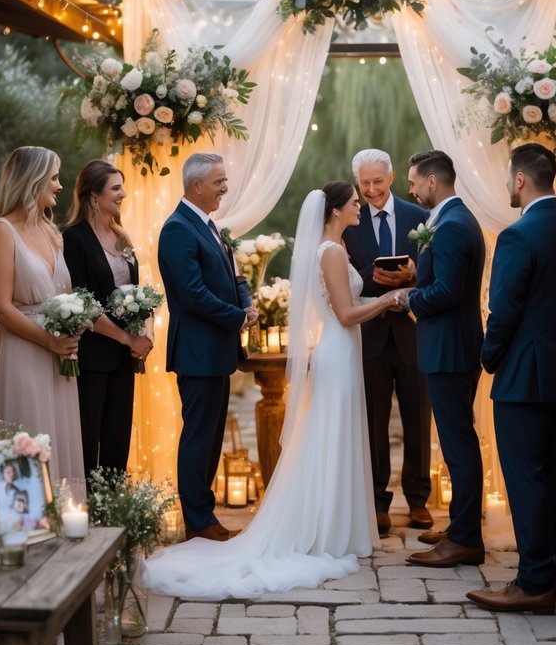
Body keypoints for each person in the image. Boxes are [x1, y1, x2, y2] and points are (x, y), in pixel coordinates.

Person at [143, 182, 400, 597]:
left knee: (336, 437)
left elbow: (236, 277)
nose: (361, 205)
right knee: (327, 438)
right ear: (335, 210)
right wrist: (391, 299)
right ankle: (325, 532)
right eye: (355, 202)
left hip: (342, 352)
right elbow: (347, 313)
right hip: (336, 350)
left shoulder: (335, 248)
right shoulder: (331, 252)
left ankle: (339, 526)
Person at [466, 144, 556, 614]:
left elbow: (503, 312)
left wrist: (488, 357)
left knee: (525, 477)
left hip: (523, 373)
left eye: (507, 178)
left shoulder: (518, 236)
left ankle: (533, 582)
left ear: (520, 179)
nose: (506, 186)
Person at [157, 152, 256, 542]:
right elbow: (192, 293)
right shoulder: (177, 229)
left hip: (216, 352)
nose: (225, 188)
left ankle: (204, 514)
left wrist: (245, 302)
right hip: (197, 353)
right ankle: (197, 521)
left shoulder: (209, 226)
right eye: (219, 182)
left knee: (212, 436)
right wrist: (235, 317)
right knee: (199, 437)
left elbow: (234, 275)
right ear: (196, 185)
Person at [396, 150, 487, 569]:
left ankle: (466, 539)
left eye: (414, 181)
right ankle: (460, 525)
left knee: (458, 443)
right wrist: (417, 277)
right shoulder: (455, 220)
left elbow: (448, 292)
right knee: (456, 441)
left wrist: (407, 297)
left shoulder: (450, 226)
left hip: (449, 350)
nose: (411, 189)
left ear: (433, 182)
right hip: (453, 346)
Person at [340, 148, 433, 535]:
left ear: (392, 178)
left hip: (413, 330)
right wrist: (377, 276)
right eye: (365, 184)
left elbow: (436, 269)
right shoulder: (350, 222)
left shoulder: (421, 218)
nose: (372, 190)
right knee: (374, 422)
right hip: (372, 334)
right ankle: (377, 501)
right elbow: (344, 273)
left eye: (378, 182)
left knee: (418, 419)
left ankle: (418, 499)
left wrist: (414, 274)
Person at [0, 147, 84, 481]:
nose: (59, 185)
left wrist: (72, 328)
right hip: (24, 351)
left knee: (59, 436)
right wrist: (48, 341)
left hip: (60, 353)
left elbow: (62, 294)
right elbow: (0, 307)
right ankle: (28, 522)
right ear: (33, 180)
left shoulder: (49, 231)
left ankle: (65, 514)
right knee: (31, 430)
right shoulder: (0, 231)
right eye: (53, 177)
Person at [62, 160, 153, 475]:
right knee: (89, 438)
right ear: (93, 196)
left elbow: (134, 292)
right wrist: (125, 337)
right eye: (115, 188)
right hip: (91, 355)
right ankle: (87, 511)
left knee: (118, 437)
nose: (123, 194)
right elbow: (82, 301)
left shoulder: (121, 238)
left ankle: (115, 510)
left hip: (123, 357)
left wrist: (143, 334)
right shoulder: (73, 239)